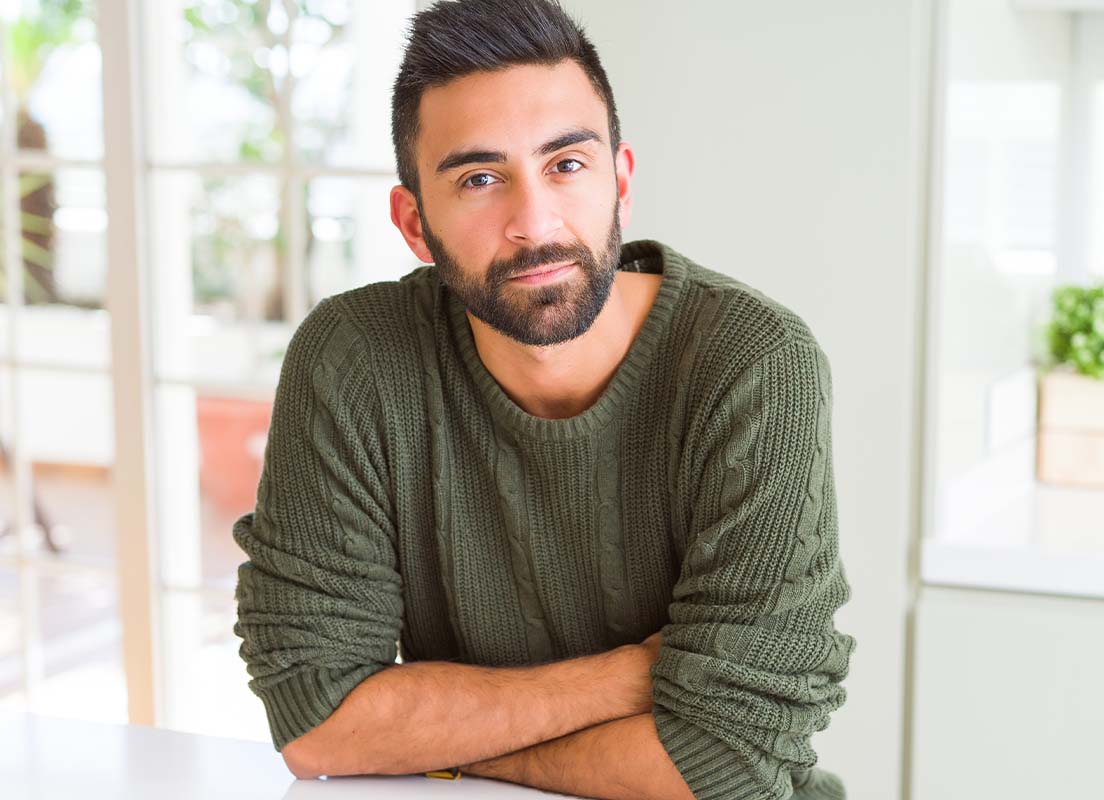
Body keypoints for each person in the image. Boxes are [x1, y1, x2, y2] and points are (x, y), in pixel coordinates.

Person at [232, 1, 855, 798]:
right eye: (480, 178)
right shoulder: (356, 358)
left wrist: (424, 744)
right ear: (414, 222)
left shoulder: (754, 365)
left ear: (620, 181)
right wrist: (633, 677)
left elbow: (730, 761)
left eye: (567, 164)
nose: (535, 222)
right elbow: (319, 719)